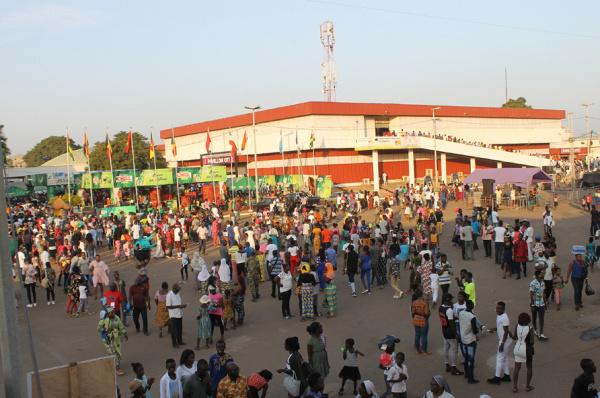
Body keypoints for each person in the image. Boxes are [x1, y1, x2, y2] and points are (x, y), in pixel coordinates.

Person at [487, 301, 513, 385]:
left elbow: (505, 331)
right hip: (504, 339)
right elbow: (501, 328)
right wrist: (494, 329)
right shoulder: (499, 316)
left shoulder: (504, 317)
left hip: (504, 340)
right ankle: (506, 375)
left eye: (500, 309)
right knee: (504, 358)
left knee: (499, 358)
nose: (498, 310)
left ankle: (497, 377)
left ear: (503, 309)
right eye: (497, 308)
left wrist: (502, 344)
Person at [97, 307, 128, 376]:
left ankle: (111, 363)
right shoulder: (104, 320)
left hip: (116, 338)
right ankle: (117, 368)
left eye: (114, 312)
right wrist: (106, 330)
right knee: (113, 352)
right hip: (107, 339)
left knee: (116, 351)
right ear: (108, 313)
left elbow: (120, 326)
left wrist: (124, 333)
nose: (113, 314)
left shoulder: (116, 318)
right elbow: (98, 328)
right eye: (112, 313)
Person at [438, 293, 463, 376]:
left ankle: (447, 364)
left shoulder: (441, 308)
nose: (452, 301)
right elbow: (451, 323)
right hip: (450, 333)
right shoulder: (449, 310)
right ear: (448, 300)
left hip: (444, 331)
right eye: (451, 300)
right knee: (454, 350)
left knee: (446, 348)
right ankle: (454, 368)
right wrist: (456, 335)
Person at [512, 312, 534, 393]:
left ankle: (515, 386)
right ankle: (527, 386)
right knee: (529, 367)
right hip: (526, 350)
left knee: (517, 368)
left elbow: (514, 337)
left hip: (517, 349)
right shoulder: (530, 328)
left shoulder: (517, 326)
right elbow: (532, 342)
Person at [458, 300, 478, 384]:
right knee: (470, 360)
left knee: (465, 358)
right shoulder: (472, 316)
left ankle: (466, 374)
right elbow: (474, 330)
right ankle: (470, 377)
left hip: (463, 338)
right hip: (470, 340)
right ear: (472, 306)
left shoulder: (461, 313)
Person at [166, 283, 187, 348]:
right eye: (177, 289)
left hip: (179, 313)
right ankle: (174, 343)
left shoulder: (177, 294)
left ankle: (179, 340)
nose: (178, 291)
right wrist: (179, 306)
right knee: (174, 329)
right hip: (173, 315)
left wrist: (182, 306)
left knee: (179, 328)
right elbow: (168, 306)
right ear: (174, 288)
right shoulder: (169, 295)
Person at [529, 269, 548, 340]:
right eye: (542, 273)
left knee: (541, 318)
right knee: (534, 317)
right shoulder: (533, 283)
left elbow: (543, 292)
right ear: (539, 275)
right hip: (535, 303)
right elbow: (531, 294)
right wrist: (532, 305)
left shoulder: (543, 283)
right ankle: (536, 330)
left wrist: (546, 301)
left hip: (541, 303)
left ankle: (541, 333)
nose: (543, 274)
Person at [411, 288, 430, 355]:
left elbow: (413, 311)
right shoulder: (425, 303)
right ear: (422, 294)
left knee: (417, 335)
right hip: (423, 319)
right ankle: (425, 351)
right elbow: (427, 313)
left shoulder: (414, 302)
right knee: (424, 336)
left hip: (416, 319)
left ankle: (418, 349)